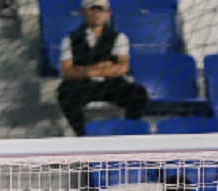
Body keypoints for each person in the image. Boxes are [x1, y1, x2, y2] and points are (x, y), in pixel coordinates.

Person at [57, 0, 149, 137]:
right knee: (65, 94)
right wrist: (94, 70)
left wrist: (85, 69)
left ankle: (129, 133)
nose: (96, 14)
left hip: (112, 84)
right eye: (92, 10)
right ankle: (83, 136)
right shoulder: (70, 39)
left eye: (100, 10)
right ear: (83, 12)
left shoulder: (119, 37)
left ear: (108, 13)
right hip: (83, 85)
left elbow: (123, 67)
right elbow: (66, 71)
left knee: (138, 94)